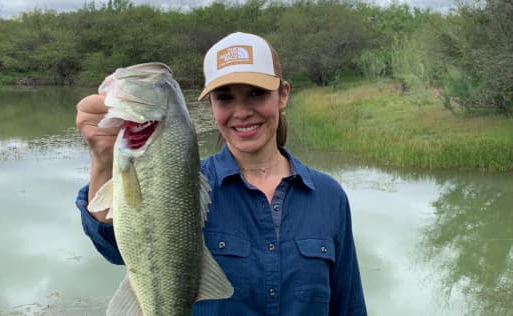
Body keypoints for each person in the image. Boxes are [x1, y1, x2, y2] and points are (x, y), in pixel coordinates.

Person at [75, 32, 367, 315]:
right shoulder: (181, 184)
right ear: (211, 105)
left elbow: (349, 305)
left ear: (283, 95)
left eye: (257, 93)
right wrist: (102, 161)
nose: (241, 112)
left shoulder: (329, 196)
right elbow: (112, 247)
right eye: (225, 97)